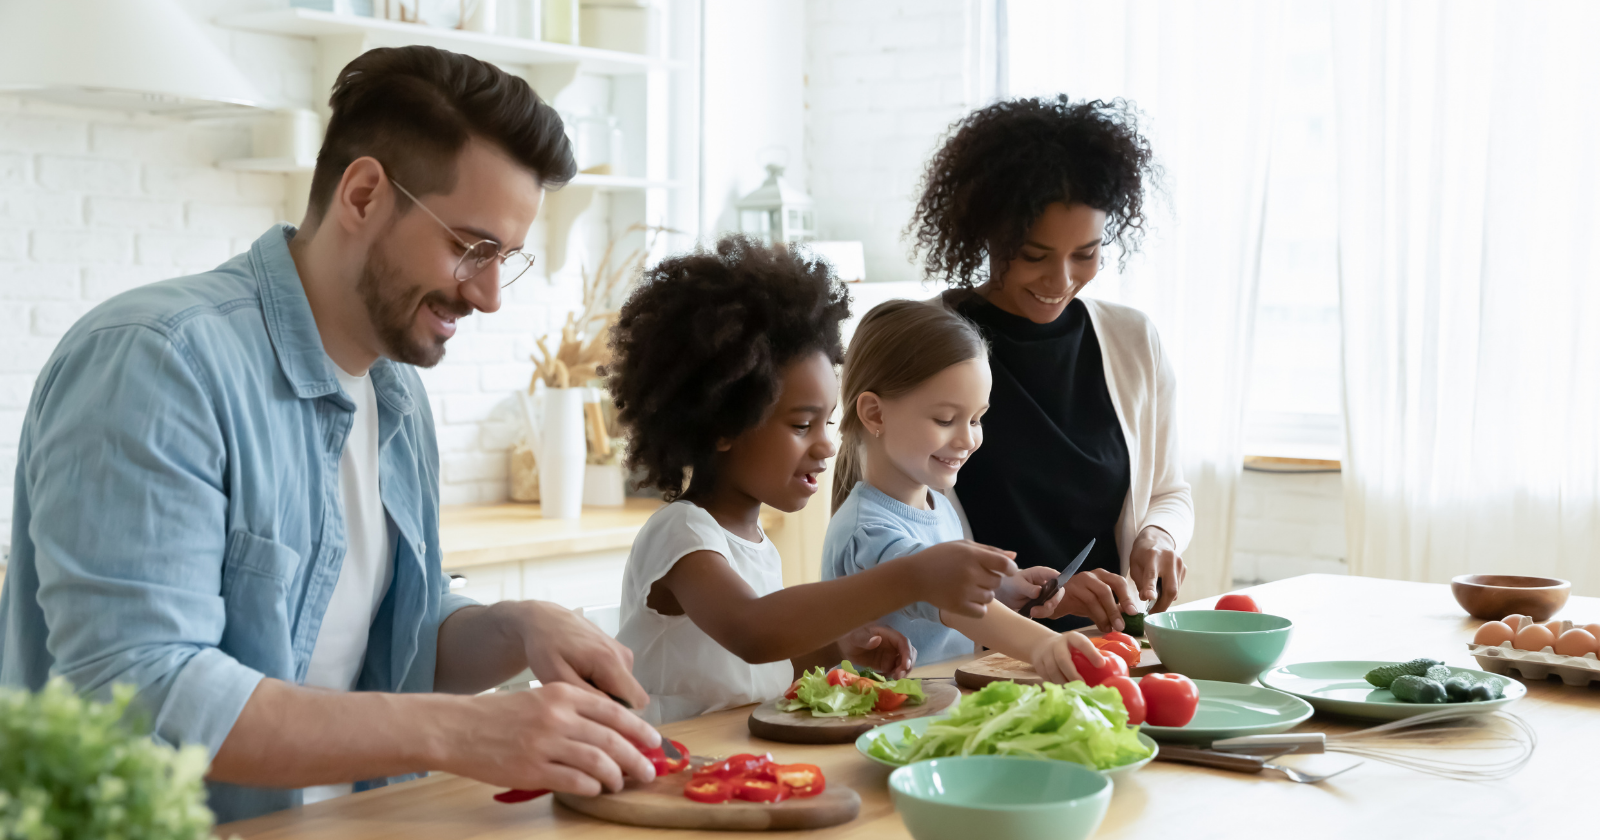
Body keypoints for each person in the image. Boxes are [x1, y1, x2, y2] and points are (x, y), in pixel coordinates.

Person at [0, 46, 661, 823]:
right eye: (469, 248)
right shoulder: (159, 360)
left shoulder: (396, 395)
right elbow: (142, 693)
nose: (487, 296)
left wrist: (514, 625)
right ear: (364, 194)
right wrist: (461, 732)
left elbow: (382, 643)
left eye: (504, 261)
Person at [607, 235, 1025, 724]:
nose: (827, 445)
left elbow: (746, 668)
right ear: (723, 424)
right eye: (802, 425)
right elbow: (752, 633)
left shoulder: (754, 541)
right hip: (662, 763)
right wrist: (914, 576)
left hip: (728, 763)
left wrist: (835, 651)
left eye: (827, 423)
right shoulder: (681, 534)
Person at [908, 95, 1193, 633]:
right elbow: (883, 540)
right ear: (986, 232)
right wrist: (1042, 596)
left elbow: (1169, 491)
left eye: (1085, 254)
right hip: (972, 658)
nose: (1059, 280)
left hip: (1107, 648)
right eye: (1035, 255)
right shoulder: (921, 342)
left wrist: (1160, 535)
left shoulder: (1133, 342)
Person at [822, 300, 1105, 678]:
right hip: (884, 725)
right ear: (875, 414)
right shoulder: (868, 531)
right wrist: (1043, 643)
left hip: (934, 709)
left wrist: (1004, 588)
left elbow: (944, 600)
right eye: (945, 419)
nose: (968, 438)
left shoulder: (938, 506)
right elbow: (947, 598)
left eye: (976, 418)